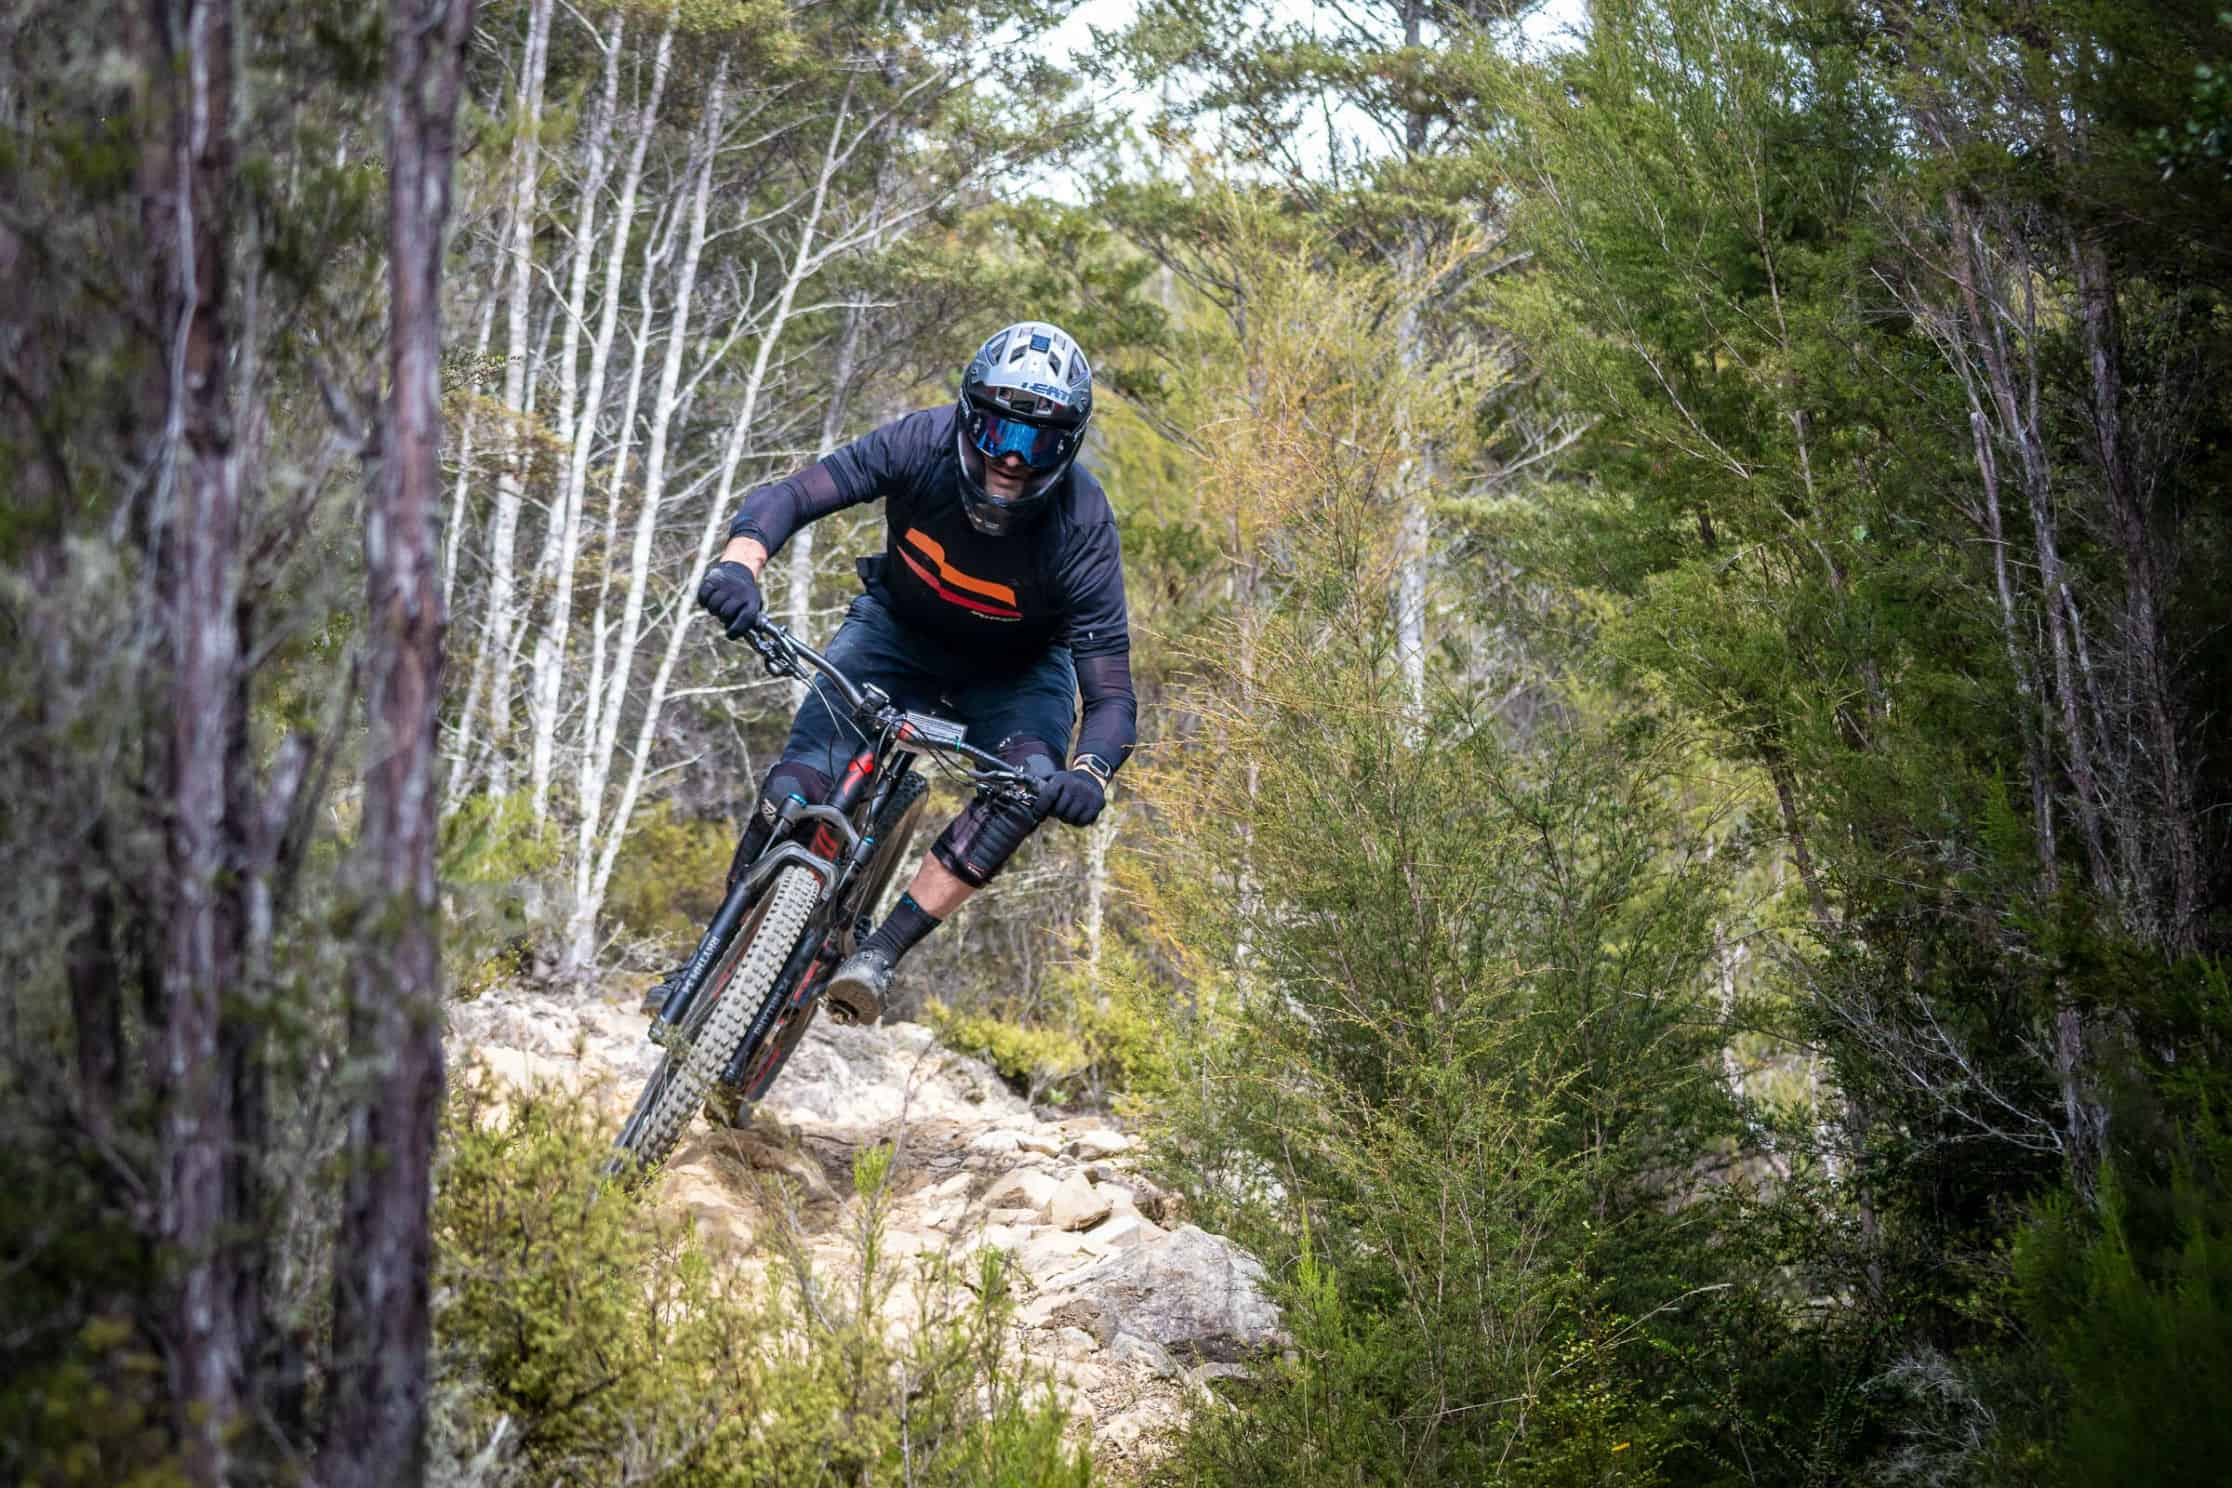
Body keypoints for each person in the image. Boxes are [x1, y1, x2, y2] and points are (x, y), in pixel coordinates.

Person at [678, 319, 1136, 1027]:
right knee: (795, 787)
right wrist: (741, 562)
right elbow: (794, 495)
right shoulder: (917, 443)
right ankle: (711, 958)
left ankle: (879, 955)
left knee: (1029, 788)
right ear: (966, 415)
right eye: (997, 432)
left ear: (1069, 445)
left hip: (1015, 674)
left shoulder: (1082, 524)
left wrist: (1091, 771)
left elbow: (1109, 692)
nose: (1012, 460)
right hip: (896, 632)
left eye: (1037, 442)